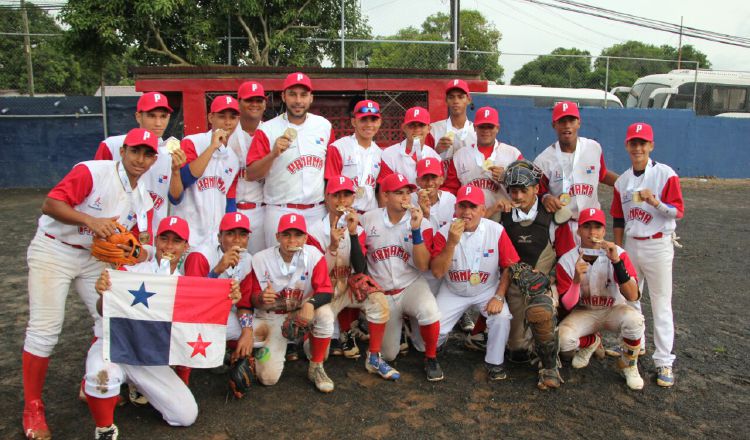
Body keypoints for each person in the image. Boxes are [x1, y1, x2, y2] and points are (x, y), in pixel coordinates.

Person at [22, 128, 158, 439]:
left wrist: (130, 249)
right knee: (45, 330)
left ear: (153, 159)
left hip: (92, 257)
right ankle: (33, 407)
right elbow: (50, 204)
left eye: (147, 153)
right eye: (135, 151)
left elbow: (133, 241)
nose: (140, 158)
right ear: (122, 151)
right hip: (54, 248)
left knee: (107, 319)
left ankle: (92, 382)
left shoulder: (141, 198)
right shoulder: (92, 172)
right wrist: (89, 220)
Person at [84, 216, 241, 439]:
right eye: (164, 239)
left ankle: (136, 385)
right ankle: (105, 429)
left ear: (186, 247)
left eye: (176, 241)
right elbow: (102, 310)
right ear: (155, 241)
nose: (169, 246)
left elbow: (201, 311)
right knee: (100, 377)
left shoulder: (184, 284)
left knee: (186, 415)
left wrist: (227, 296)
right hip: (115, 348)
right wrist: (103, 294)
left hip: (148, 358)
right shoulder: (130, 272)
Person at [611, 122, 684, 387]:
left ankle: (664, 361)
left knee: (661, 304)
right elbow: (618, 219)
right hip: (632, 244)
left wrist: (657, 203)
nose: (638, 147)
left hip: (658, 244)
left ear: (651, 146)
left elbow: (678, 211)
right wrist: (618, 251)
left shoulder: (665, 174)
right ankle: (635, 344)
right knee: (629, 297)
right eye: (634, 143)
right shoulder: (622, 181)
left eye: (643, 143)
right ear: (627, 146)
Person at [307, 176, 398, 379]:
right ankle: (316, 366)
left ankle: (374, 357)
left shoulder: (357, 227)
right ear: (326, 197)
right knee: (314, 351)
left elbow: (360, 269)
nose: (342, 200)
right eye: (336, 195)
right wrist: (331, 246)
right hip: (323, 291)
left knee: (378, 300)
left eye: (347, 195)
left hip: (347, 287)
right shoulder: (313, 231)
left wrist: (354, 233)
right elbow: (316, 276)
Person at [498, 160, 577, 388]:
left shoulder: (553, 216)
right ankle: (533, 341)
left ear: (536, 189)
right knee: (518, 352)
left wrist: (557, 288)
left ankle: (549, 367)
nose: (519, 196)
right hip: (512, 284)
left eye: (524, 190)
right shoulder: (502, 216)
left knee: (541, 310)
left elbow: (567, 257)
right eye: (514, 190)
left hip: (543, 284)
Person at [430, 185, 520, 380]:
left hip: (486, 289)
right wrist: (451, 243)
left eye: (473, 207)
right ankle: (438, 345)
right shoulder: (444, 232)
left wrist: (498, 295)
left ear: (482, 209)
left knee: (501, 317)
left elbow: (510, 266)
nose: (467, 212)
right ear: (455, 208)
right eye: (462, 206)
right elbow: (437, 272)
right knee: (428, 338)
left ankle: (494, 362)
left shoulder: (496, 231)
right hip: (452, 290)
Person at [359, 173, 443, 381]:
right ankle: (393, 332)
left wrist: (416, 231)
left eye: (408, 193)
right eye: (399, 193)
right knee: (388, 354)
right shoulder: (368, 219)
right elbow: (359, 255)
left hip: (410, 285)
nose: (406, 198)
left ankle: (431, 358)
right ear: (385, 196)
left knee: (429, 311)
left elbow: (423, 265)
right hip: (383, 292)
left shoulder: (422, 224)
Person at [556, 208, 645, 390]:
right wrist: (575, 282)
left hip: (614, 309)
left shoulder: (618, 253)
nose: (592, 232)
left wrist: (617, 263)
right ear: (578, 230)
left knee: (635, 321)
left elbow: (633, 295)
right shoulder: (567, 260)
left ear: (604, 231)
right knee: (562, 341)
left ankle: (630, 365)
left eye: (597, 227)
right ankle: (592, 341)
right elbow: (567, 304)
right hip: (585, 312)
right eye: (586, 227)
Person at [248, 213, 336, 392]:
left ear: (305, 237)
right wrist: (260, 298)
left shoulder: (313, 255)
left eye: (298, 235)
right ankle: (260, 354)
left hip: (300, 312)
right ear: (277, 237)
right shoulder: (260, 259)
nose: (292, 240)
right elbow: (251, 299)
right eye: (287, 235)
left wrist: (310, 304)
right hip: (271, 318)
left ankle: (316, 366)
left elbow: (326, 291)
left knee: (325, 313)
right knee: (267, 378)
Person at [246, 72, 334, 247]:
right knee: (277, 269)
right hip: (280, 210)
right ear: (283, 97)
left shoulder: (324, 125)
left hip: (316, 210)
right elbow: (251, 174)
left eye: (303, 95)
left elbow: (330, 173)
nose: (298, 100)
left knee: (314, 266)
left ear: (311, 98)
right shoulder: (267, 130)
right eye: (292, 94)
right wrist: (272, 155)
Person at [93, 91, 186, 236]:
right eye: (151, 116)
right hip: (112, 230)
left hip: (151, 234)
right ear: (138, 116)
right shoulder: (112, 145)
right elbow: (95, 188)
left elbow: (176, 199)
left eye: (163, 116)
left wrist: (175, 171)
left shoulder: (171, 152)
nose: (158, 123)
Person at [182, 212, 256, 385]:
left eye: (243, 235)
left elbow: (244, 304)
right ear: (219, 237)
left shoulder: (247, 259)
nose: (237, 240)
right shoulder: (201, 256)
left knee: (254, 329)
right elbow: (192, 301)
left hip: (217, 313)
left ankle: (225, 352)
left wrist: (247, 332)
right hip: (191, 319)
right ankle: (184, 367)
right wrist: (217, 270)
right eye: (230, 234)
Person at [533, 101, 617, 234]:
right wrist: (545, 198)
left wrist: (626, 182)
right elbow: (536, 192)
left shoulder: (594, 148)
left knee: (593, 255)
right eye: (562, 121)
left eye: (571, 120)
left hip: (592, 224)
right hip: (562, 224)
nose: (567, 126)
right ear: (554, 125)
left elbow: (602, 175)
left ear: (578, 122)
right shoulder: (543, 160)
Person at [172, 95, 242, 248]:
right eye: (222, 116)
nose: (228, 122)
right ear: (211, 117)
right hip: (189, 235)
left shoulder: (233, 158)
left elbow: (229, 201)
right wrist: (211, 148)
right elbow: (183, 181)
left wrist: (229, 234)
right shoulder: (192, 142)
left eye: (233, 117)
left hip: (216, 238)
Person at [448, 106, 523, 220]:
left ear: (497, 128)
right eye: (482, 126)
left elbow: (527, 188)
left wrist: (508, 177)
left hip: (505, 217)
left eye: (490, 126)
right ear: (474, 127)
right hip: (470, 219)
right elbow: (450, 190)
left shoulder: (512, 154)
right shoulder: (460, 155)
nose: (486, 130)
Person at [227, 80, 268, 254]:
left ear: (265, 104)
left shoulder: (270, 132)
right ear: (239, 102)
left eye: (259, 100)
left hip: (262, 209)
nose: (254, 104)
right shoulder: (227, 134)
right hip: (231, 207)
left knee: (259, 265)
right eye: (249, 100)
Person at [325, 99, 384, 214]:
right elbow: (329, 188)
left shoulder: (380, 153)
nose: (369, 125)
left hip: (371, 214)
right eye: (363, 120)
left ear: (380, 122)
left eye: (373, 120)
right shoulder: (338, 148)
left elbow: (379, 191)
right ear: (353, 122)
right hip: (345, 213)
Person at [428, 79, 475, 192]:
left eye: (460, 97)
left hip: (469, 192)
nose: (456, 101)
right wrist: (436, 151)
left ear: (468, 100)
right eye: (451, 97)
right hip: (439, 191)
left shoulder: (477, 132)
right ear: (446, 100)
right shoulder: (433, 129)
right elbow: (423, 161)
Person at [378, 107, 441, 185]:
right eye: (412, 125)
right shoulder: (389, 154)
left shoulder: (435, 157)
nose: (417, 129)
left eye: (421, 125)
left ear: (428, 129)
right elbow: (384, 188)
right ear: (404, 128)